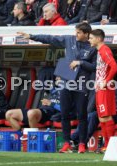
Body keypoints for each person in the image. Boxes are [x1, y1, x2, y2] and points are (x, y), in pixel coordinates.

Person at [17, 22, 96, 153]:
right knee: (64, 115)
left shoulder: (92, 47)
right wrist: (31, 36)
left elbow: (94, 67)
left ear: (86, 34)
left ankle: (82, 144)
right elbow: (50, 38)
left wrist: (81, 63)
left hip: (82, 85)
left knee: (82, 116)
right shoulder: (69, 39)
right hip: (66, 84)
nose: (75, 34)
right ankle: (66, 143)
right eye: (75, 31)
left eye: (78, 32)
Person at [89, 29, 117, 152]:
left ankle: (110, 145)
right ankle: (107, 145)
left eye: (91, 38)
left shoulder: (105, 50)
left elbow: (114, 67)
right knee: (102, 117)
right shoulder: (100, 51)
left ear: (98, 38)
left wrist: (105, 82)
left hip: (105, 89)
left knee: (106, 117)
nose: (89, 40)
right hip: (100, 89)